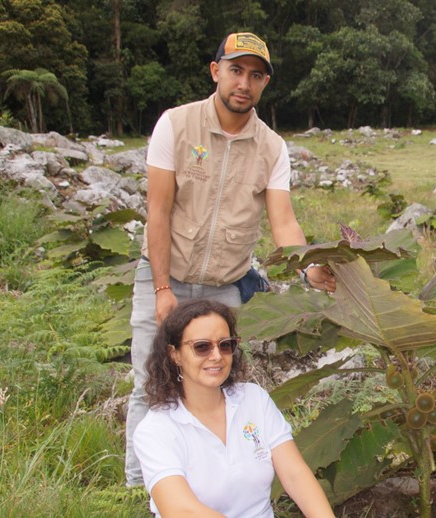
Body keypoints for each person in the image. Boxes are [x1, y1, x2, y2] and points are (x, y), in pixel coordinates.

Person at [125, 31, 337, 487]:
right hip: (166, 273)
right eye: (236, 70)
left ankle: (206, 480)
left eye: (256, 75)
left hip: (225, 284)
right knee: (152, 382)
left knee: (215, 383)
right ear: (216, 70)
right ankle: (140, 485)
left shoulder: (272, 147)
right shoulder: (176, 125)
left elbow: (283, 222)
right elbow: (157, 212)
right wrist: (163, 289)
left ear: (264, 84)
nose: (244, 82)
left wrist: (310, 266)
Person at [134, 299, 335, 517]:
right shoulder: (156, 430)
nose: (217, 356)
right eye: (202, 347)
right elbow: (179, 509)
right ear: (175, 355)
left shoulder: (253, 399)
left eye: (225, 345)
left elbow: (295, 474)